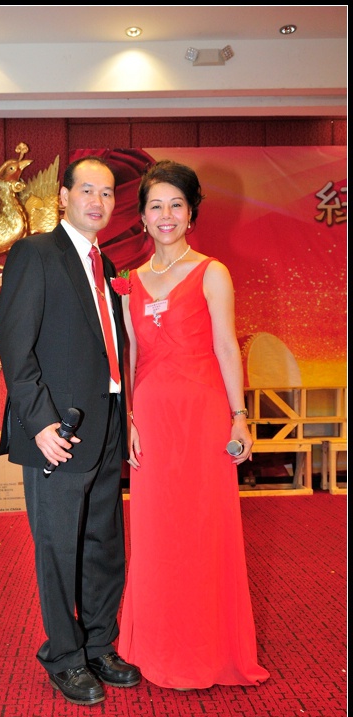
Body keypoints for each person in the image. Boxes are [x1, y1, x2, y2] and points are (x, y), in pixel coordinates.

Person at [117, 160, 270, 690]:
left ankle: (210, 651)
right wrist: (127, 418)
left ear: (191, 213)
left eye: (176, 205)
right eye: (155, 205)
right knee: (156, 535)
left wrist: (239, 417)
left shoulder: (212, 272)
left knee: (205, 531)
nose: (166, 215)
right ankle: (155, 648)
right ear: (141, 216)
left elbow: (226, 346)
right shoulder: (130, 283)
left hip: (204, 417)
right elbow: (131, 356)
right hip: (152, 421)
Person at [0, 156, 141, 706]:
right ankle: (64, 655)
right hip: (57, 431)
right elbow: (16, 347)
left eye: (107, 193)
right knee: (58, 548)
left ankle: (99, 644)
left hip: (105, 425)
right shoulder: (36, 254)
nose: (97, 202)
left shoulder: (107, 264)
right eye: (87, 190)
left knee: (104, 545)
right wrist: (38, 424)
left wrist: (127, 416)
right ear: (63, 196)